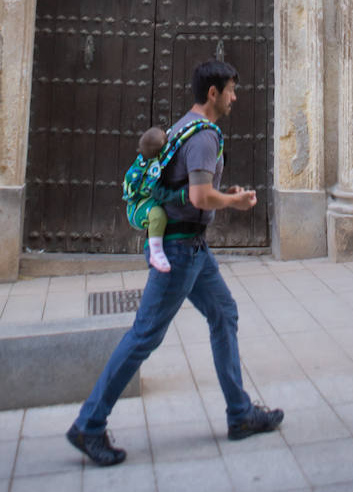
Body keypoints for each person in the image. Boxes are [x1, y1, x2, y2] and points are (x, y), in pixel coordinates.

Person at [67, 58, 284, 467]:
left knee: (224, 314)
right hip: (182, 252)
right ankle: (89, 424)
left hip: (194, 251)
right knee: (144, 335)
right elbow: (201, 198)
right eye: (232, 90)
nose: (236, 97)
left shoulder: (184, 125)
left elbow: (195, 189)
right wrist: (234, 201)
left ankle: (240, 414)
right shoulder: (204, 137)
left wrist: (222, 192)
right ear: (213, 93)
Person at [135, 125, 172, 273]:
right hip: (141, 209)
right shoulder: (153, 169)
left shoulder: (148, 158)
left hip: (145, 205)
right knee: (159, 215)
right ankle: (155, 252)